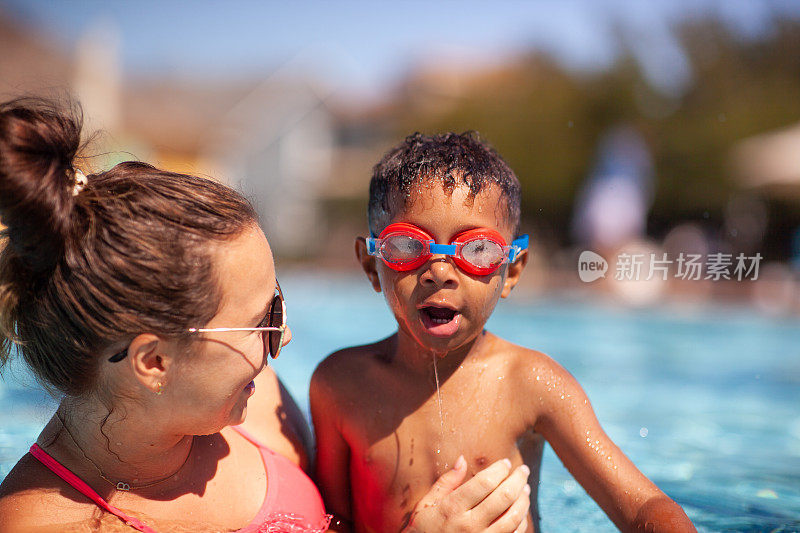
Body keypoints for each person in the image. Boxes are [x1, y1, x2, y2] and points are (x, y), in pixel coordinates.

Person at [0, 99, 530, 533]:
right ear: (155, 361)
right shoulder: (49, 523)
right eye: (263, 322)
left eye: (276, 307)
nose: (284, 336)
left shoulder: (256, 406)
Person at [310, 132, 697, 532]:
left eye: (477, 250)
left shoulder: (531, 384)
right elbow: (331, 524)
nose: (440, 272)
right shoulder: (340, 385)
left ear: (511, 270)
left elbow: (645, 507)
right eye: (408, 246)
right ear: (372, 265)